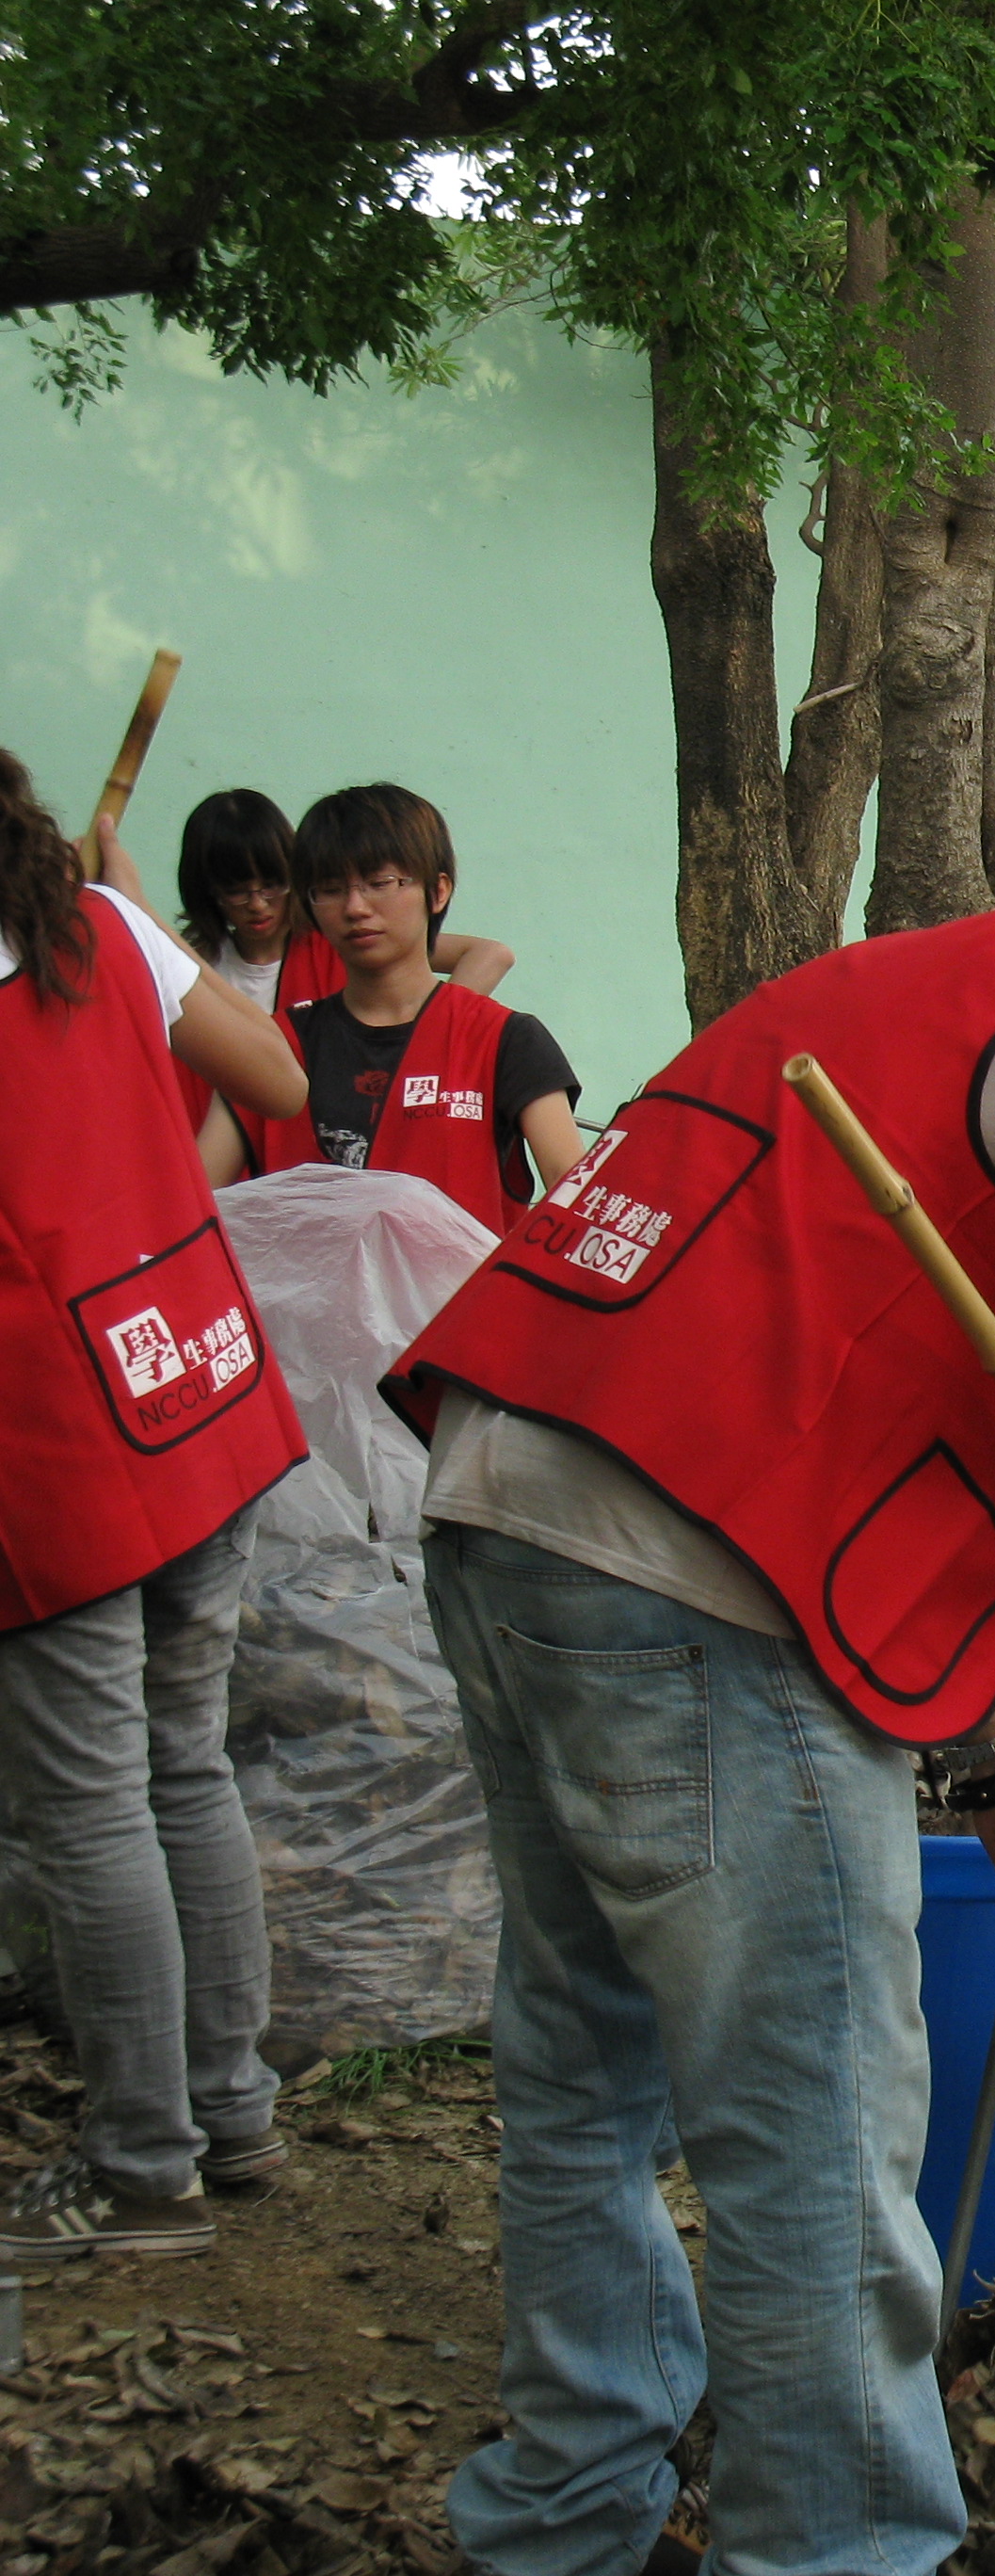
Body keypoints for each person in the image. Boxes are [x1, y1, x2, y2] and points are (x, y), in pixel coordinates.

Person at [381, 733, 995, 2576]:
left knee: (583, 2079)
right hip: (689, 1564)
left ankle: (569, 2512)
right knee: (814, 2127)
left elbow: (845, 1346)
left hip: (512, 1485)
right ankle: (837, 2548)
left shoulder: (927, 975)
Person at [0, 757, 313, 2264]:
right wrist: (132, 914)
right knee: (182, 1763)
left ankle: (142, 2169)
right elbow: (279, 1083)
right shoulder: (103, 924)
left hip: (50, 1433)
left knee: (91, 1797)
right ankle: (230, 2112)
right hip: (192, 1365)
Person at [229, 785, 579, 1228]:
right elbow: (191, 1210)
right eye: (331, 889)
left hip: (463, 1298)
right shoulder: (275, 1044)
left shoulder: (507, 1040)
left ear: (438, 891)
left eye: (381, 884)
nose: (356, 907)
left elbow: (575, 1204)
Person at [169, 787, 512, 1129]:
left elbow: (491, 954)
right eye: (236, 891)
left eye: (272, 885)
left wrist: (419, 1040)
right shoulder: (186, 973)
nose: (257, 903)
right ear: (207, 892)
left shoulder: (343, 944)